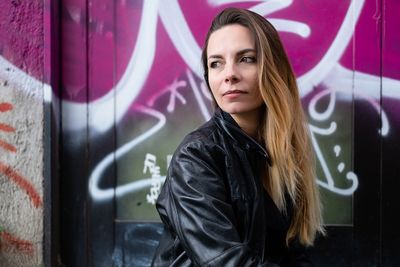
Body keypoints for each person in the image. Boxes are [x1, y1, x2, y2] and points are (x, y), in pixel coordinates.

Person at [151, 7, 324, 267]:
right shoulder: (197, 156)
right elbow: (226, 263)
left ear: (272, 68)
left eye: (246, 59)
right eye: (216, 63)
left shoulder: (281, 153)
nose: (229, 74)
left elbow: (292, 254)